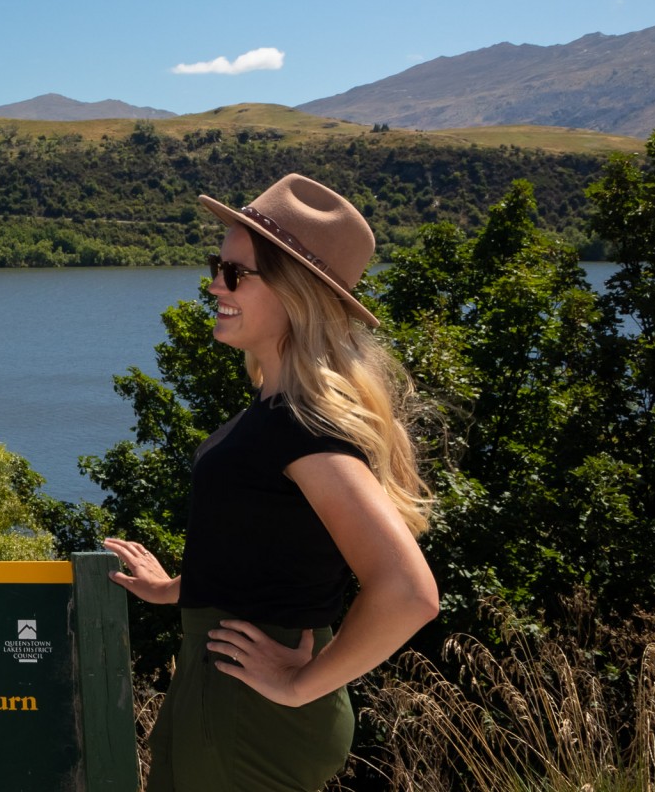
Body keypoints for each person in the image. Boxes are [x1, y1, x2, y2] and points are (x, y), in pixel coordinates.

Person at [102, 173, 439, 792]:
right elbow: (272, 554)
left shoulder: (300, 427)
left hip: (251, 712)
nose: (213, 284)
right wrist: (178, 589)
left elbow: (409, 592)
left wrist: (299, 684)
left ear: (296, 293)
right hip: (229, 694)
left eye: (235, 272)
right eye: (216, 265)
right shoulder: (277, 414)